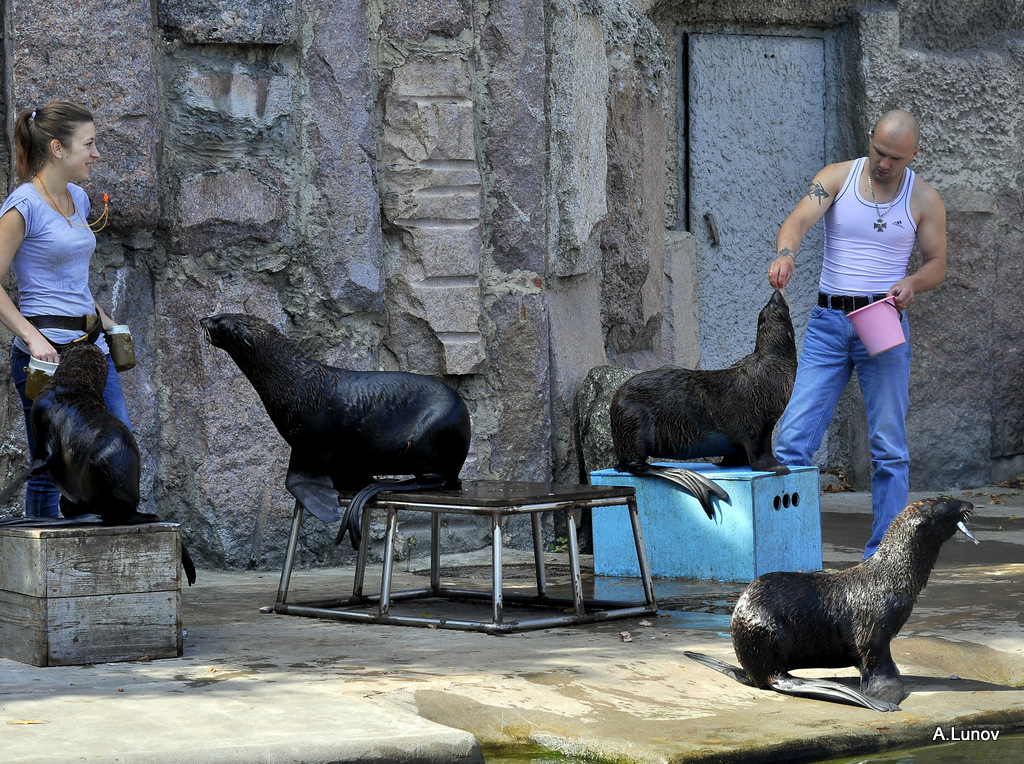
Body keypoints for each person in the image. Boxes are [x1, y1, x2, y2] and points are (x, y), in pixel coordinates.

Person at [767, 109, 947, 558]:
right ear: (870, 138)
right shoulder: (836, 177)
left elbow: (937, 263)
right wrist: (787, 253)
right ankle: (791, 551)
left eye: (895, 158)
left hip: (882, 321)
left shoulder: (924, 198)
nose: (883, 163)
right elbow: (798, 220)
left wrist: (912, 283)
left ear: (914, 155)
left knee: (889, 446)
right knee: (793, 439)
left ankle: (884, 556)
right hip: (830, 323)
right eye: (879, 151)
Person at [0, 101, 131, 518]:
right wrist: (31, 337)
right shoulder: (23, 206)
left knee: (115, 449)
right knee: (49, 465)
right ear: (58, 148)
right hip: (46, 356)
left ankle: (97, 560)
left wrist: (106, 321)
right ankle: (40, 576)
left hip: (92, 350)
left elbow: (71, 276)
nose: (96, 153)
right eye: (89, 144)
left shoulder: (78, 197)